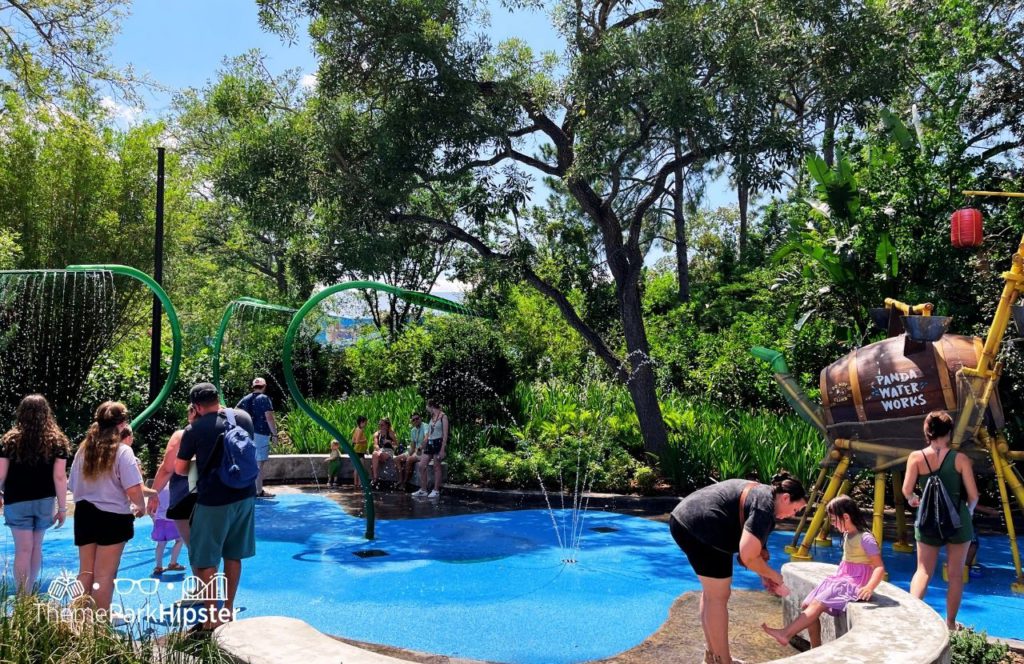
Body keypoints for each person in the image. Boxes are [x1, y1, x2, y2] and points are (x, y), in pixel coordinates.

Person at [668, 473, 807, 664]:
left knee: (712, 594)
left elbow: (754, 554)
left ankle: (712, 656)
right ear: (785, 498)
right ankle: (723, 661)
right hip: (702, 526)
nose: (794, 515)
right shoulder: (764, 507)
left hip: (685, 519)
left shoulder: (764, 497)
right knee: (718, 596)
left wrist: (764, 574)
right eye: (795, 508)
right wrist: (773, 575)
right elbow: (748, 555)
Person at [175, 382, 257, 632]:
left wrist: (194, 427)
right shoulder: (242, 417)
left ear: (197, 406)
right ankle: (228, 610)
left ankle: (211, 618)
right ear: (218, 398)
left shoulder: (194, 429)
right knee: (233, 554)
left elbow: (179, 469)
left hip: (213, 500)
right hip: (244, 494)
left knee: (206, 559)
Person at [761, 495, 885, 648]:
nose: (832, 524)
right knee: (807, 605)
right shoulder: (848, 534)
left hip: (855, 583)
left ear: (845, 517)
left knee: (818, 603)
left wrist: (869, 587)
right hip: (843, 578)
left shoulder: (865, 538)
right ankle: (815, 648)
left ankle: (785, 634)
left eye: (834, 520)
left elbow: (879, 567)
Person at [902, 409, 979, 630]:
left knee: (923, 570)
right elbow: (973, 496)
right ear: (949, 432)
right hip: (958, 522)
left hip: (928, 521)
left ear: (927, 431)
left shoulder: (916, 457)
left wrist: (915, 500)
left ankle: (910, 621)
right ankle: (951, 624)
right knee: (955, 575)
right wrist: (969, 512)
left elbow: (907, 492)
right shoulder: (960, 459)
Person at [68, 401, 145, 614]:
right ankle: (99, 629)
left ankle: (74, 621)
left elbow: (73, 485)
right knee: (104, 575)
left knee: (85, 572)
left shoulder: (83, 450)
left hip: (84, 514)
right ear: (122, 424)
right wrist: (140, 506)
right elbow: (133, 489)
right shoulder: (123, 452)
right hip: (113, 517)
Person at [0, 394, 70, 594]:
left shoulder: (9, 440)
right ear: (46, 414)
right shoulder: (57, 441)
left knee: (22, 549)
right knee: (36, 547)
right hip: (44, 501)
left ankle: (23, 597)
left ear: (21, 413)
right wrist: (63, 508)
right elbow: (59, 477)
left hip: (16, 500)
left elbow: (1, 474)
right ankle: (30, 595)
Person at [148, 404, 199, 547]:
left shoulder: (182, 435)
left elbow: (167, 469)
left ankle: (201, 567)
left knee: (193, 545)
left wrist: (154, 494)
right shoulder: (223, 429)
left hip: (185, 497)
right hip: (217, 495)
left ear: (192, 413)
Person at [236, 377, 278, 498]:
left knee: (250, 462)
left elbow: (235, 412)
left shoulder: (246, 398)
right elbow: (269, 418)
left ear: (253, 387)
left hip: (247, 434)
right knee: (259, 464)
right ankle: (258, 491)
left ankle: (248, 490)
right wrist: (274, 434)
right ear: (264, 386)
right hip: (261, 434)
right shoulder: (264, 399)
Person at [413, 400, 448, 499]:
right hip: (430, 443)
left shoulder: (443, 417)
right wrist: (421, 446)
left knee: (437, 466)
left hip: (439, 443)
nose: (426, 409)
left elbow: (445, 435)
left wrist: (442, 449)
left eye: (427, 407)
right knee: (421, 465)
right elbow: (428, 434)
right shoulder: (432, 417)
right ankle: (423, 490)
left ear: (431, 406)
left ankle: (436, 490)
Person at [150, 484, 185, 576]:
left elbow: (152, 507)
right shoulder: (176, 486)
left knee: (161, 544)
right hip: (172, 519)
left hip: (159, 519)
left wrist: (154, 518)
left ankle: (158, 566)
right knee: (180, 539)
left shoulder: (158, 487)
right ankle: (173, 563)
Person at [402, 412, 428, 489]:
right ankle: (400, 481)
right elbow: (412, 446)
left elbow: (427, 438)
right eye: (413, 420)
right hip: (416, 451)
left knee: (409, 460)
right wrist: (406, 454)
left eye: (417, 418)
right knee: (399, 459)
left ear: (421, 418)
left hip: (425, 450)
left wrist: (420, 448)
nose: (416, 420)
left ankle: (405, 482)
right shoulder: (413, 430)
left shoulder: (425, 426)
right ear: (412, 422)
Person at [370, 418, 398, 486]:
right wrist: (377, 448)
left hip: (388, 451)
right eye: (379, 425)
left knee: (373, 462)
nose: (380, 426)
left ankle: (374, 479)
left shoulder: (391, 433)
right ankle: (375, 478)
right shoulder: (377, 434)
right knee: (375, 454)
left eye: (382, 425)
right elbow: (375, 444)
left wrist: (390, 442)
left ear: (387, 425)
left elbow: (396, 444)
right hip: (380, 451)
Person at [351, 416, 368, 489]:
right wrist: (365, 441)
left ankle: (356, 484)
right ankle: (361, 484)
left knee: (356, 468)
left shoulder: (356, 429)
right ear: (361, 422)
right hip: (359, 451)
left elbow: (353, 440)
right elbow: (357, 441)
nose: (366, 424)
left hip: (357, 450)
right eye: (365, 422)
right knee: (361, 468)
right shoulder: (360, 430)